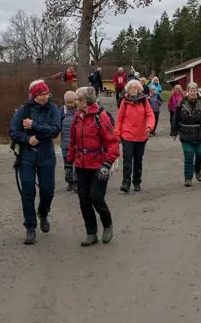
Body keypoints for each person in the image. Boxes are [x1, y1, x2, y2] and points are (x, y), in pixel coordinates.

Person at [9, 79, 63, 244]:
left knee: (48, 191)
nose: (43, 97)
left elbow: (55, 130)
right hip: (26, 157)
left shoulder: (53, 109)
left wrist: (35, 125)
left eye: (45, 94)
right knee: (28, 192)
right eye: (40, 94)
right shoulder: (23, 110)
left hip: (46, 156)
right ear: (33, 95)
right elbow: (13, 132)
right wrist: (27, 139)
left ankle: (43, 212)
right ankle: (30, 227)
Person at [67, 86, 120, 246]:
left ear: (84, 101)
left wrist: (107, 163)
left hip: (98, 165)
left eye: (77, 99)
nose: (74, 102)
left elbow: (113, 142)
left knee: (96, 197)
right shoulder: (77, 117)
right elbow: (72, 142)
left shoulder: (101, 117)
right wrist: (69, 164)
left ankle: (107, 224)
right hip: (81, 165)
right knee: (83, 200)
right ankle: (91, 232)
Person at [170, 82, 201, 188]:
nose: (192, 92)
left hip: (200, 133)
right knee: (189, 157)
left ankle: (197, 170)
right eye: (191, 90)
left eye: (194, 90)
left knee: (200, 155)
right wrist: (174, 132)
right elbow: (175, 118)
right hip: (186, 134)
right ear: (187, 91)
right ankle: (188, 178)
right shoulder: (181, 102)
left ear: (197, 91)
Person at [116, 79, 155, 193]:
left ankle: (137, 181)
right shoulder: (124, 101)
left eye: (135, 87)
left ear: (139, 90)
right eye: (131, 88)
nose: (133, 89)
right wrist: (117, 134)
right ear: (128, 90)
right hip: (127, 135)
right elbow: (119, 119)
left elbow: (150, 115)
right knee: (127, 159)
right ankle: (126, 183)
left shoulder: (144, 101)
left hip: (141, 135)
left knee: (138, 160)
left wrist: (150, 127)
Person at [60, 90, 78, 193]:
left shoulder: (78, 110)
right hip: (65, 143)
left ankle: (76, 182)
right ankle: (70, 181)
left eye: (72, 102)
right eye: (68, 103)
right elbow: (58, 123)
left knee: (77, 163)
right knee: (67, 163)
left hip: (76, 143)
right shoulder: (63, 110)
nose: (70, 105)